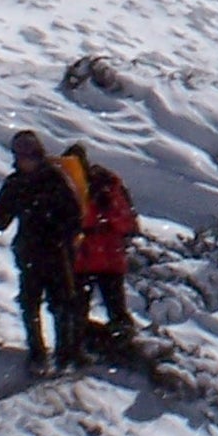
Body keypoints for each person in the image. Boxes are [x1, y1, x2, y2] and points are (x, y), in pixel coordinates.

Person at [0, 130, 85, 372]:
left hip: (49, 251)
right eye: (21, 154)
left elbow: (74, 216)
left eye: (28, 153)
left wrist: (60, 234)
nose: (25, 159)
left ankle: (60, 355)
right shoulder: (37, 181)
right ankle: (42, 354)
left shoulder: (35, 181)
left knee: (56, 302)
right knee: (37, 302)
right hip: (38, 252)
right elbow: (2, 219)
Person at [66, 142, 141, 354]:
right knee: (80, 313)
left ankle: (111, 345)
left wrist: (102, 213)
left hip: (99, 258)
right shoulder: (72, 187)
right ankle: (105, 345)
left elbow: (126, 222)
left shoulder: (106, 185)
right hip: (95, 258)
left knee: (112, 311)